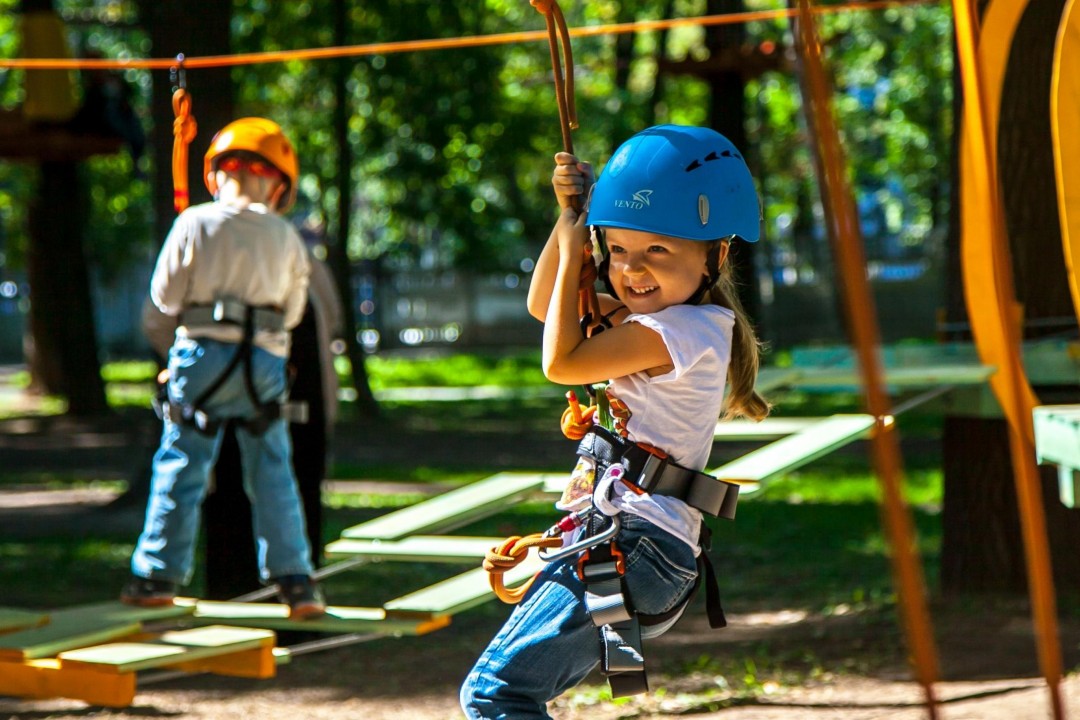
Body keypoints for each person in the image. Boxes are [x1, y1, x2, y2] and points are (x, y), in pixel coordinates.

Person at [460, 125, 770, 718]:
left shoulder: (683, 331)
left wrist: (583, 249)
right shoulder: (659, 320)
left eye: (658, 250)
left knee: (497, 694)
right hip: (627, 539)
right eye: (620, 249)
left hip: (636, 542)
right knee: (508, 693)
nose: (632, 269)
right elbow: (542, 304)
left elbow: (561, 360)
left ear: (717, 254)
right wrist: (569, 222)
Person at [121, 117, 326, 620]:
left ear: (216, 174)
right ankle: (296, 582)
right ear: (277, 182)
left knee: (183, 465)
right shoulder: (286, 237)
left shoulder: (194, 221)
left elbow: (164, 298)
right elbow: (294, 313)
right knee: (274, 470)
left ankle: (157, 577)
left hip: (201, 359)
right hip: (262, 364)